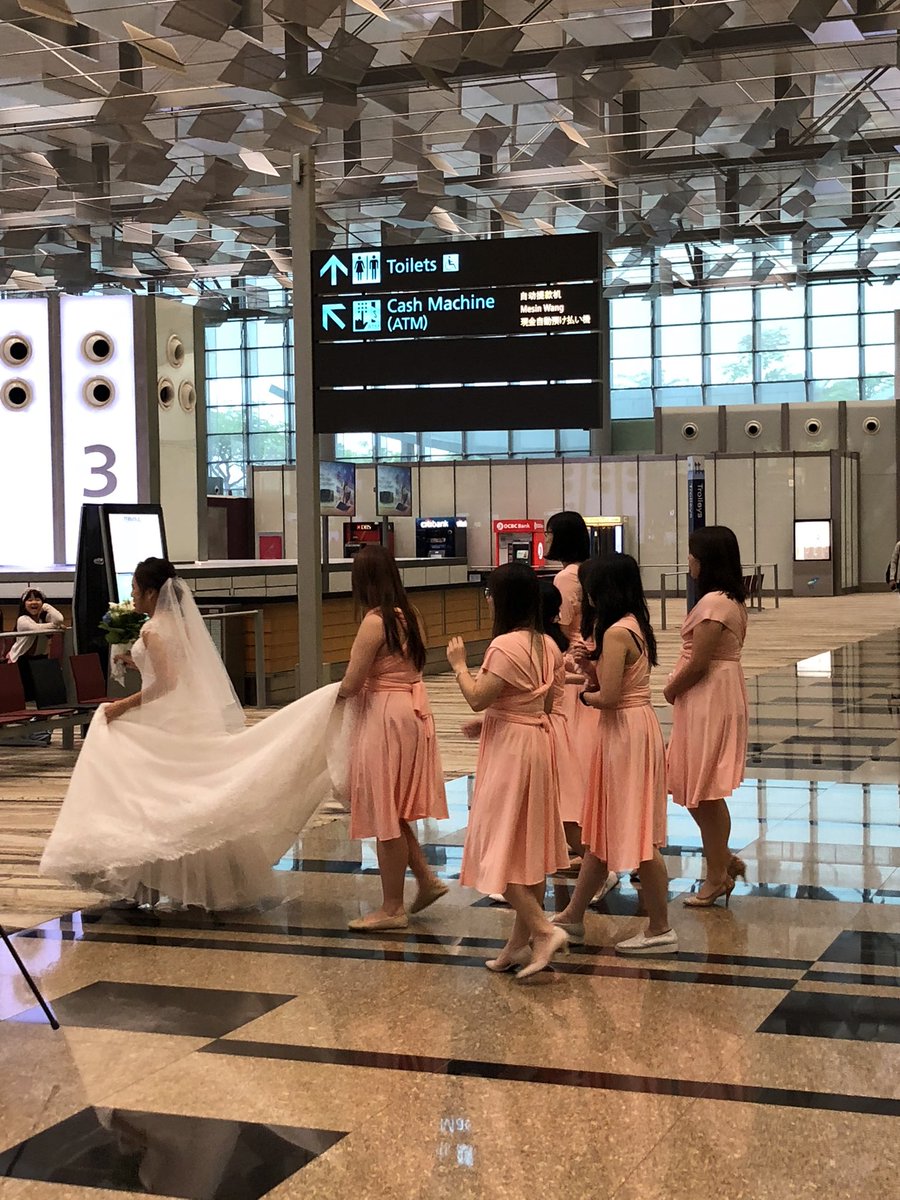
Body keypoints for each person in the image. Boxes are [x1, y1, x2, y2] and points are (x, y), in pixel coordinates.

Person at [41, 557, 349, 910]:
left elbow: (167, 682)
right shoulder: (180, 625)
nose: (133, 595)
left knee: (155, 800)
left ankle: (148, 881)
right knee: (176, 798)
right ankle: (189, 882)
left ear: (152, 593)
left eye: (136, 590)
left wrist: (123, 705)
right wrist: (135, 662)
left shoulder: (153, 629)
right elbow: (177, 671)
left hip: (165, 721)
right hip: (184, 718)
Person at [447, 561, 569, 981]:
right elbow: (544, 704)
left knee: (494, 845)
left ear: (503, 599)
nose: (487, 599)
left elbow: (478, 697)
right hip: (537, 743)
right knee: (527, 846)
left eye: (490, 592)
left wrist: (459, 665)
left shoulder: (503, 646)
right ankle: (517, 947)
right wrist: (494, 721)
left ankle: (543, 929)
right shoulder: (549, 646)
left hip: (510, 753)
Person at [551, 554, 676, 955]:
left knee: (638, 834)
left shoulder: (615, 634)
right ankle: (572, 916)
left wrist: (583, 694)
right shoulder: (632, 625)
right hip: (631, 728)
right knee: (601, 832)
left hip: (624, 730)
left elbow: (607, 697)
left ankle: (660, 928)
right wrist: (586, 672)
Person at [338, 545, 448, 932]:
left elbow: (352, 682)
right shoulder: (411, 615)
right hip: (412, 714)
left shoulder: (374, 622)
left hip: (383, 716)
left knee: (385, 810)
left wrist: (323, 701)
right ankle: (426, 879)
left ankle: (391, 907)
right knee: (396, 807)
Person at [664, 526, 749, 908]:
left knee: (702, 790)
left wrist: (671, 688)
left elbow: (699, 662)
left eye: (693, 554)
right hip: (714, 693)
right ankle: (721, 861)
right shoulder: (726, 600)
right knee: (705, 789)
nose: (689, 561)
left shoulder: (715, 604)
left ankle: (717, 873)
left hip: (709, 695)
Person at [8, 588, 65, 664]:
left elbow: (59, 619)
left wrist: (46, 606)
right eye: (30, 600)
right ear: (24, 604)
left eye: (38, 599)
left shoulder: (44, 619)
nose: (34, 602)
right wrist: (57, 626)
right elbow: (36, 629)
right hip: (21, 659)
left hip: (41, 659)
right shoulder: (22, 619)